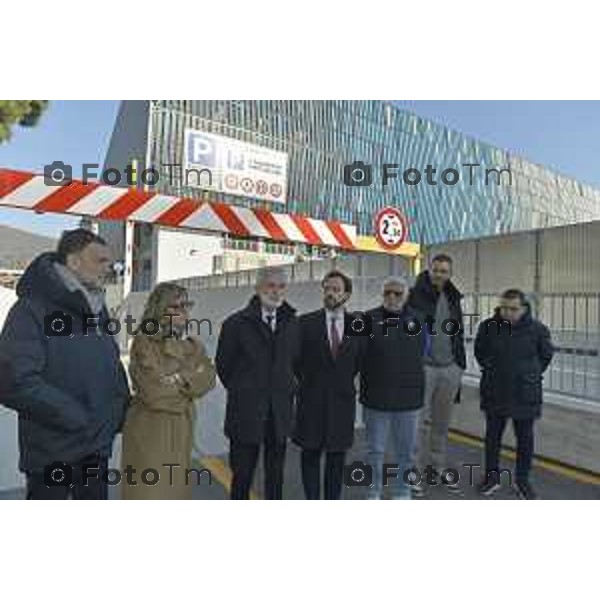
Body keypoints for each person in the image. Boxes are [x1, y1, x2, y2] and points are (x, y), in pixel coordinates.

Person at [0, 229, 131, 500]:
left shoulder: (97, 308)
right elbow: (14, 381)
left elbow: (110, 362)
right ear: (73, 262)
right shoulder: (31, 310)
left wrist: (118, 408)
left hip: (95, 448)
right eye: (100, 260)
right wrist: (76, 416)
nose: (109, 268)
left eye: (110, 261)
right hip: (53, 452)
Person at [120, 283, 216, 500]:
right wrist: (190, 384)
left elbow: (209, 377)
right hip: (151, 430)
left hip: (181, 428)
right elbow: (154, 393)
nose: (185, 311)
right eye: (177, 306)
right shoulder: (145, 341)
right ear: (161, 308)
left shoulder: (192, 344)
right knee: (149, 494)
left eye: (187, 305)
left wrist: (178, 379)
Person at [216, 266, 300, 500]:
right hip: (246, 413)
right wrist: (244, 391)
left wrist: (288, 389)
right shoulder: (236, 324)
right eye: (270, 286)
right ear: (258, 288)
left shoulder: (293, 323)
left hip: (279, 414)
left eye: (281, 286)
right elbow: (224, 367)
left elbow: (296, 362)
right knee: (242, 476)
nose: (276, 292)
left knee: (276, 477)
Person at [474, 289, 554, 500]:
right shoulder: (488, 327)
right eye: (504, 308)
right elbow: (480, 352)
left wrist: (529, 375)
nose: (507, 312)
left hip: (525, 394)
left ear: (524, 308)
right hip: (495, 390)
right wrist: (493, 370)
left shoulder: (538, 330)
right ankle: (492, 478)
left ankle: (522, 481)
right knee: (493, 437)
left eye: (513, 309)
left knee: (525, 440)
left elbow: (545, 356)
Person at [293, 270, 363, 500]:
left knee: (336, 459)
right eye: (327, 288)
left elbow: (361, 360)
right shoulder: (304, 323)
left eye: (336, 289)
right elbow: (295, 362)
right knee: (310, 456)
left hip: (342, 403)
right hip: (311, 402)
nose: (330, 293)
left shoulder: (358, 325)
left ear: (347, 295)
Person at [360, 277, 425, 499]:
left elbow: (423, 353)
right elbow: (359, 356)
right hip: (375, 398)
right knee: (375, 450)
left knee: (405, 451)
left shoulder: (419, 321)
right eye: (387, 292)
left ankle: (402, 491)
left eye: (398, 294)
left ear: (406, 296)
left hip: (409, 399)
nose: (392, 297)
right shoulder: (368, 319)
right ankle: (374, 491)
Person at [408, 254, 466, 496]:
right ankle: (413, 472)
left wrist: (459, 365)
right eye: (436, 270)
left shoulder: (453, 296)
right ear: (429, 270)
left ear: (450, 273)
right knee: (417, 424)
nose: (439, 274)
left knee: (441, 424)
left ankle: (436, 467)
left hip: (449, 368)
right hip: (425, 367)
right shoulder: (415, 294)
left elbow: (458, 332)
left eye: (444, 271)